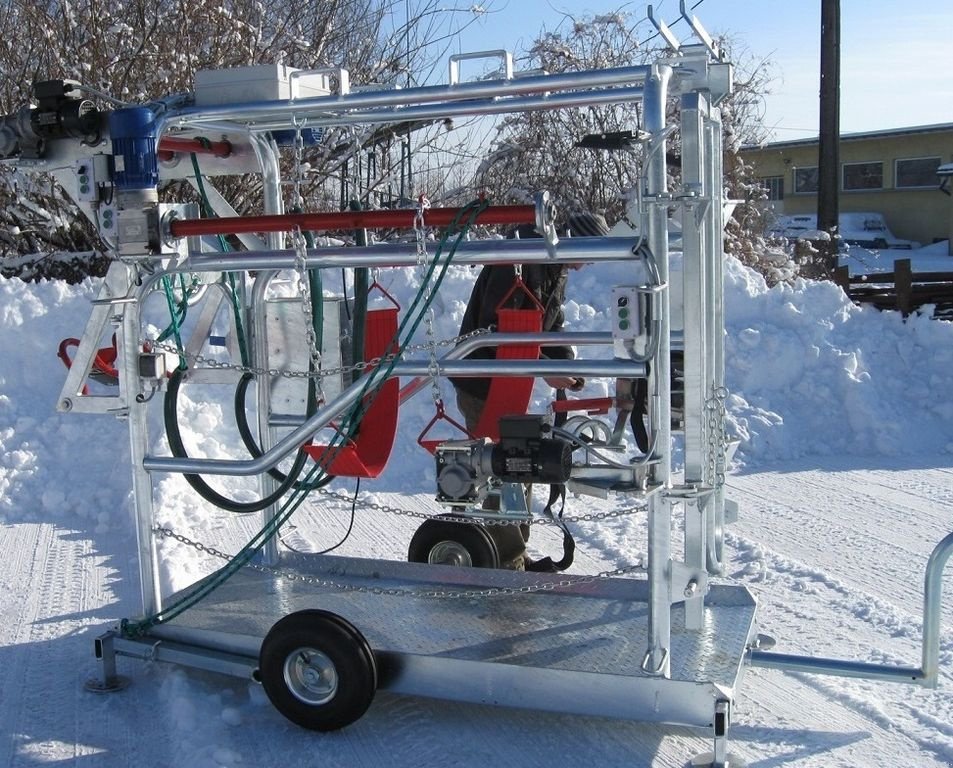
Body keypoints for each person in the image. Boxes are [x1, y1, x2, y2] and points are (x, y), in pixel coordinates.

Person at [450, 210, 610, 569]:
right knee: (501, 468)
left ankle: (513, 553)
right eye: (586, 254)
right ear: (570, 240)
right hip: (483, 380)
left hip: (510, 378)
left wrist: (564, 364)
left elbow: (550, 325)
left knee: (519, 464)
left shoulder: (554, 266)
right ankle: (505, 562)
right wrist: (543, 367)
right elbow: (499, 328)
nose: (586, 265)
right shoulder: (519, 259)